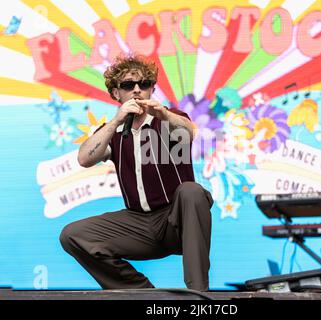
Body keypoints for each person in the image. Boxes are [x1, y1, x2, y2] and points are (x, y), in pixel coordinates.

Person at [59, 54, 213, 291]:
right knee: (73, 235)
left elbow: (189, 132)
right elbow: (84, 158)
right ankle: (140, 293)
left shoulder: (169, 119)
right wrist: (115, 122)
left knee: (192, 191)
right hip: (139, 225)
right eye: (128, 85)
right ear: (116, 93)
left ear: (152, 89)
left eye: (144, 84)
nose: (137, 90)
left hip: (176, 221)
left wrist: (163, 114)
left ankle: (198, 294)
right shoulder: (115, 130)